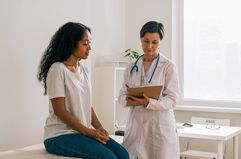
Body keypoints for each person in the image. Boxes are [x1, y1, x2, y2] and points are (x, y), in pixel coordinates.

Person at [38, 22, 129, 159]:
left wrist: (99, 128)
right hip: (59, 135)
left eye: (90, 43)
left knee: (123, 154)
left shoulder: (84, 70)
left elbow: (87, 106)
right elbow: (59, 111)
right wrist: (89, 132)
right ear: (71, 44)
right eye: (85, 44)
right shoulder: (57, 69)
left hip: (80, 132)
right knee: (109, 157)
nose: (90, 48)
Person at [118, 21, 180, 159]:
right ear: (140, 39)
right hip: (136, 127)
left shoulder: (168, 66)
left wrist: (149, 102)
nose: (150, 46)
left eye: (154, 42)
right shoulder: (131, 67)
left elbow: (173, 99)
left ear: (160, 42)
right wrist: (127, 99)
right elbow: (121, 96)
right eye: (146, 41)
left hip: (159, 128)